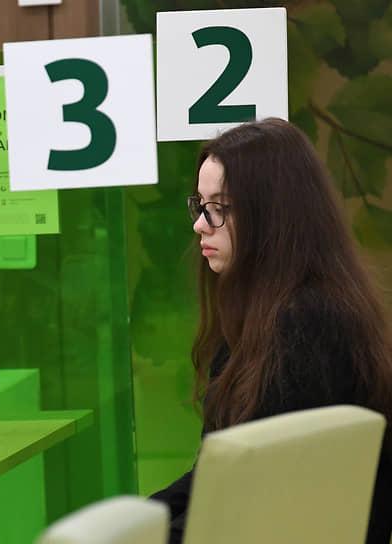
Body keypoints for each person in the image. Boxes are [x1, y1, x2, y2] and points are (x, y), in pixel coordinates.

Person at [151, 118, 392, 544]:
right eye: (200, 205)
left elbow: (249, 496)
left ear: (273, 215)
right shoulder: (277, 315)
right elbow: (216, 477)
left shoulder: (306, 326)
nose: (200, 224)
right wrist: (139, 521)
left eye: (220, 208)